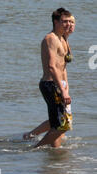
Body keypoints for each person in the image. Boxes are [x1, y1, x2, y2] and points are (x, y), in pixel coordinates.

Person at [24, 8, 73, 147]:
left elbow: (63, 65)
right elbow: (52, 67)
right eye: (64, 22)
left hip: (60, 84)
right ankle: (35, 149)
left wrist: (66, 87)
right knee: (62, 125)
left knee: (58, 122)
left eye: (70, 21)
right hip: (51, 84)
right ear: (55, 22)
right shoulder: (50, 39)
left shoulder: (62, 38)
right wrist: (62, 90)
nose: (68, 24)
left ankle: (51, 149)